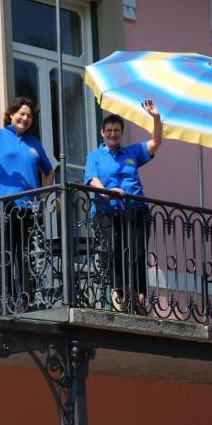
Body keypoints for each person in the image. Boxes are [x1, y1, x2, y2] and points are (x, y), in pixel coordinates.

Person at [0, 72, 53, 313]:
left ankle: (25, 300)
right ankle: (2, 304)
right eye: (21, 114)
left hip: (27, 208)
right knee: (5, 255)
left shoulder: (34, 144)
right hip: (3, 208)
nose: (25, 118)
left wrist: (42, 197)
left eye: (29, 116)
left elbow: (49, 171)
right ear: (12, 115)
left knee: (25, 256)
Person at [83, 100, 162, 313]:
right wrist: (107, 192)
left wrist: (155, 117)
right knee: (114, 249)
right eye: (108, 130)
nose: (112, 134)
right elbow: (92, 179)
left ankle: (140, 296)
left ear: (121, 132)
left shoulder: (132, 152)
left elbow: (155, 142)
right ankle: (120, 292)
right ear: (102, 133)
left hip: (135, 209)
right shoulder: (95, 156)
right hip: (107, 210)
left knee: (137, 252)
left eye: (116, 130)